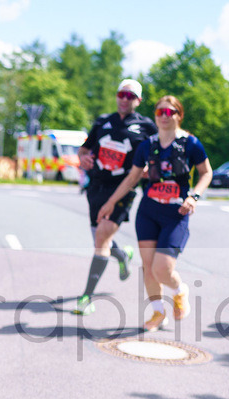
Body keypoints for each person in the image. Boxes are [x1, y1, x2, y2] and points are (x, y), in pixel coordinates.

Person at [98, 95, 212, 331]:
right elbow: (132, 177)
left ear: (178, 115)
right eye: (160, 112)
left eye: (169, 112)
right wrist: (111, 202)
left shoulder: (191, 144)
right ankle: (158, 313)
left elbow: (206, 173)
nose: (163, 116)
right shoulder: (147, 145)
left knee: (162, 268)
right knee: (147, 267)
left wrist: (195, 196)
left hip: (175, 213)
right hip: (148, 212)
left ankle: (180, 291)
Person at [73, 79, 157, 315]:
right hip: (97, 187)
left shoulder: (147, 126)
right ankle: (122, 254)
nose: (124, 99)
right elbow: (84, 149)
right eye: (121, 94)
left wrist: (151, 170)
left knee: (101, 237)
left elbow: (160, 152)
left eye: (130, 96)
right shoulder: (102, 122)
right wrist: (83, 158)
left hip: (123, 189)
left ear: (138, 101)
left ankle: (86, 297)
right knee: (100, 241)